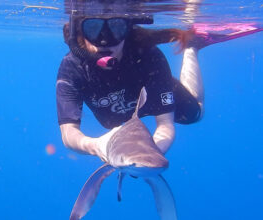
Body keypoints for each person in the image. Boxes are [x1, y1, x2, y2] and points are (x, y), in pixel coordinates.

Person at [56, 0, 260, 162]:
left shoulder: (149, 57)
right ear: (80, 33)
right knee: (112, 122)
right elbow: (68, 133)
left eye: (116, 28)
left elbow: (166, 126)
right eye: (93, 28)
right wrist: (96, 146)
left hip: (152, 87)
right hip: (118, 116)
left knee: (194, 113)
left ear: (127, 30)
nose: (105, 40)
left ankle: (192, 47)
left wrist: (148, 153)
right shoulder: (72, 69)